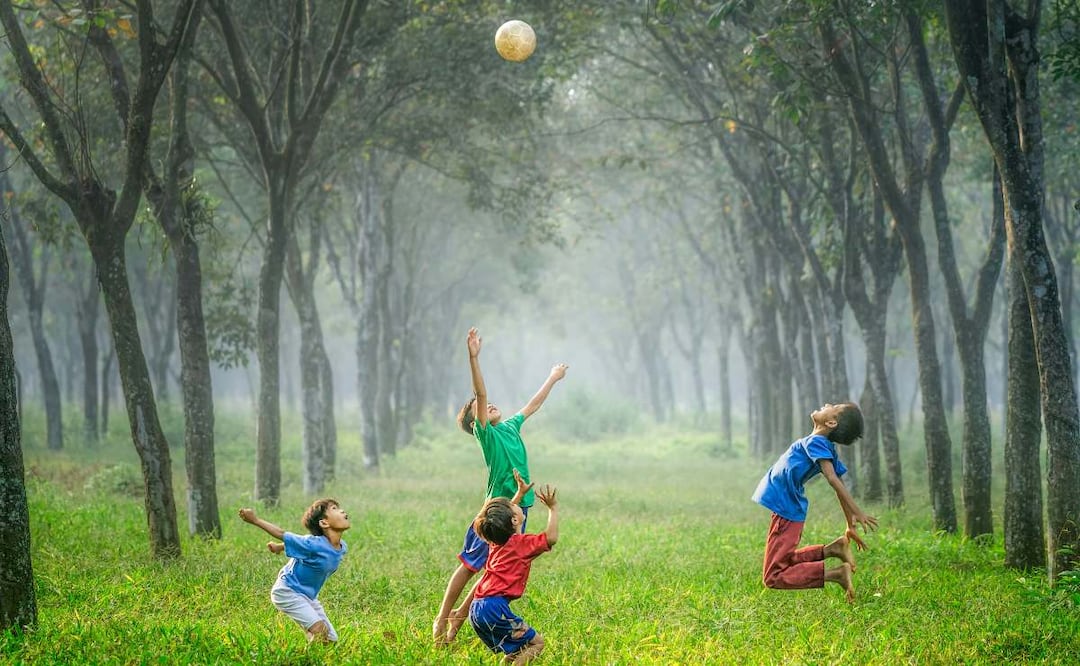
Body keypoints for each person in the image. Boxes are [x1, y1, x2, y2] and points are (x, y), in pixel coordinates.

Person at [433, 327, 568, 645]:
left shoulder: (509, 426)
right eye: (480, 408)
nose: (489, 404)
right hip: (495, 510)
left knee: (494, 570)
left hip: (519, 508)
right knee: (469, 566)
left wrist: (552, 378)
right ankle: (442, 619)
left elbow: (532, 405)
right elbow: (480, 394)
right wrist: (473, 358)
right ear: (474, 421)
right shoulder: (487, 434)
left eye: (491, 404)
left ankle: (456, 625)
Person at [751, 402, 878, 603]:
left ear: (831, 422)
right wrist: (849, 524)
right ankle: (832, 549)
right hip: (786, 509)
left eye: (833, 406)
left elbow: (833, 479)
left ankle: (836, 575)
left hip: (786, 510)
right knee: (784, 561)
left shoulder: (817, 442)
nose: (827, 404)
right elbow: (838, 481)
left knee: (773, 576)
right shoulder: (821, 444)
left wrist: (857, 511)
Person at [469, 481, 559, 664]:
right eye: (513, 505)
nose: (515, 504)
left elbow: (503, 519)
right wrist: (553, 508)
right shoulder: (521, 544)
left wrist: (519, 494)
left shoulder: (496, 542)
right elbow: (551, 538)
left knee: (518, 649)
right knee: (536, 644)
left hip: (477, 608)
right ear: (514, 520)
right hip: (494, 608)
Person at [238, 499, 350, 642]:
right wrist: (255, 520)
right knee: (320, 631)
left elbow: (301, 544)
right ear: (324, 523)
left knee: (330, 639)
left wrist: (279, 547)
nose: (342, 511)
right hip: (287, 591)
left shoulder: (342, 547)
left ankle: (313, 646)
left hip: (308, 596)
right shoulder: (313, 544)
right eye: (334, 508)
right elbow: (282, 533)